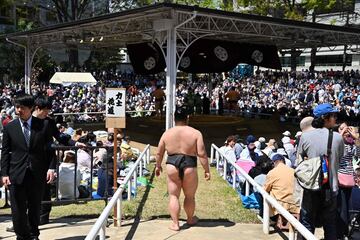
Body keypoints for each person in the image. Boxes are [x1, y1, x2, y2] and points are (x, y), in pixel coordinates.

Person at [1, 94, 55, 240]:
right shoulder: (10, 127)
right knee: (17, 209)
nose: (18, 110)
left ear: (31, 108)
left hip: (37, 173)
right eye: (17, 107)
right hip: (16, 173)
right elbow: (5, 151)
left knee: (35, 206)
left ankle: (33, 234)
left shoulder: (43, 125)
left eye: (22, 108)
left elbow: (50, 149)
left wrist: (51, 168)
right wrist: (4, 174)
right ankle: (21, 235)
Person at [155, 107, 210, 231]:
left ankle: (175, 224)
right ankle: (190, 219)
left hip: (172, 164)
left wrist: (158, 166)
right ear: (188, 118)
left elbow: (159, 153)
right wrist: (206, 170)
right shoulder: (195, 133)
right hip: (189, 164)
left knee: (173, 196)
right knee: (190, 196)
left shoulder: (167, 133)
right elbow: (202, 154)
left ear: (174, 119)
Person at [297, 103, 345, 240]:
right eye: (333, 116)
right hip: (331, 188)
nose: (335, 118)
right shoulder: (337, 138)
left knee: (307, 222)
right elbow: (340, 158)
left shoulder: (305, 137)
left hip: (311, 186)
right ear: (325, 117)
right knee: (330, 224)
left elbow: (300, 160)